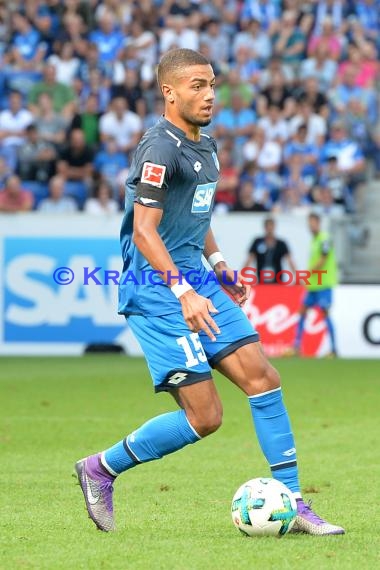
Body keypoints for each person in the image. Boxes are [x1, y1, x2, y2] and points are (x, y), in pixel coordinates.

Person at [75, 48, 344, 536]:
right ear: (169, 91)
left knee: (263, 377)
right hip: (157, 290)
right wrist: (183, 290)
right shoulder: (159, 147)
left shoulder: (207, 144)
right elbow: (144, 231)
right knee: (206, 416)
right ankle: (100, 469)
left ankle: (297, 504)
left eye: (212, 84)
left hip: (196, 281)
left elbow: (197, 214)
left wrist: (217, 265)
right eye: (197, 85)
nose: (209, 95)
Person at [294, 212, 338, 356]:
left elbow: (323, 259)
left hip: (324, 283)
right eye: (309, 223)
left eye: (312, 223)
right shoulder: (314, 240)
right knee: (302, 311)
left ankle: (333, 349)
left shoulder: (324, 238)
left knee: (325, 313)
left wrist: (307, 273)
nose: (310, 226)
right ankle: (296, 346)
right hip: (313, 284)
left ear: (318, 223)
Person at [244, 218, 297, 283]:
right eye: (267, 227)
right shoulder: (257, 242)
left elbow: (290, 261)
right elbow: (249, 260)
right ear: (264, 228)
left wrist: (297, 277)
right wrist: (241, 277)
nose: (269, 229)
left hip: (278, 281)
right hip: (261, 281)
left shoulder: (281, 244)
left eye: (271, 226)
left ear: (274, 227)